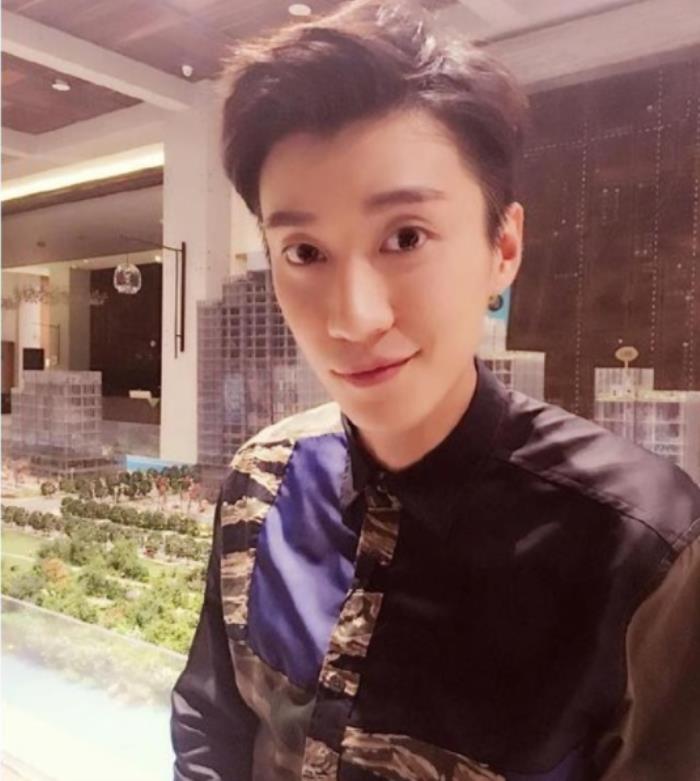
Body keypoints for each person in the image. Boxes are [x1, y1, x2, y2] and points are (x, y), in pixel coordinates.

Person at [171, 1, 700, 779]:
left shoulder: (641, 544)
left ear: (503, 247)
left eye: (406, 237)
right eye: (305, 251)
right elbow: (210, 721)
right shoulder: (263, 479)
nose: (353, 317)